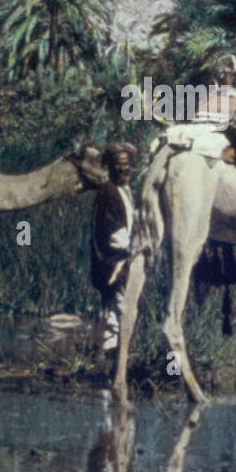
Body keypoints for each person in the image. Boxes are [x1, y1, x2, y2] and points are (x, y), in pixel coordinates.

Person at [91, 144, 136, 358]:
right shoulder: (108, 191)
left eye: (126, 165)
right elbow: (113, 230)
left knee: (114, 307)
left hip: (122, 258)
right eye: (118, 165)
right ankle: (110, 353)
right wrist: (132, 248)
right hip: (113, 259)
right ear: (110, 167)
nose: (123, 169)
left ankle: (106, 351)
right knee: (118, 305)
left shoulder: (124, 190)